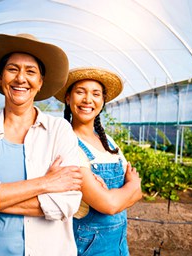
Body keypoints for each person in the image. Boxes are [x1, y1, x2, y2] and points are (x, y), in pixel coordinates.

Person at [0, 33, 89, 256]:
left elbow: (67, 202)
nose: (21, 78)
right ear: (0, 77)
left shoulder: (59, 130)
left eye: (31, 71)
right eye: (12, 69)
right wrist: (45, 183)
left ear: (40, 83)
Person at [56, 67, 143, 256]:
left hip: (119, 245)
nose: (88, 100)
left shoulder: (108, 141)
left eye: (96, 94)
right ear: (68, 98)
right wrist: (130, 188)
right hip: (88, 247)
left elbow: (138, 193)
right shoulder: (68, 144)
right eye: (80, 92)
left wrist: (117, 194)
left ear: (102, 102)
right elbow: (110, 205)